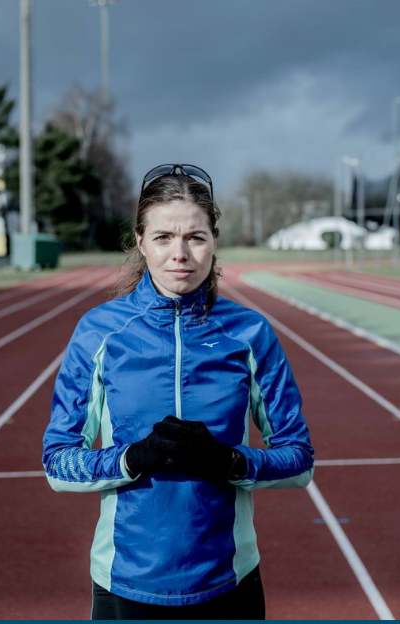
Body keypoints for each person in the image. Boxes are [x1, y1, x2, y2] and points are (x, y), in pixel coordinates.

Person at [41, 164, 314, 620]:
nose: (180, 254)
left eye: (195, 237)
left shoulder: (250, 333)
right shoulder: (99, 332)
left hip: (229, 579)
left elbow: (299, 458)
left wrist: (231, 461)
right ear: (140, 241)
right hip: (125, 583)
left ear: (214, 242)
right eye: (164, 237)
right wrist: (132, 458)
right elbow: (57, 463)